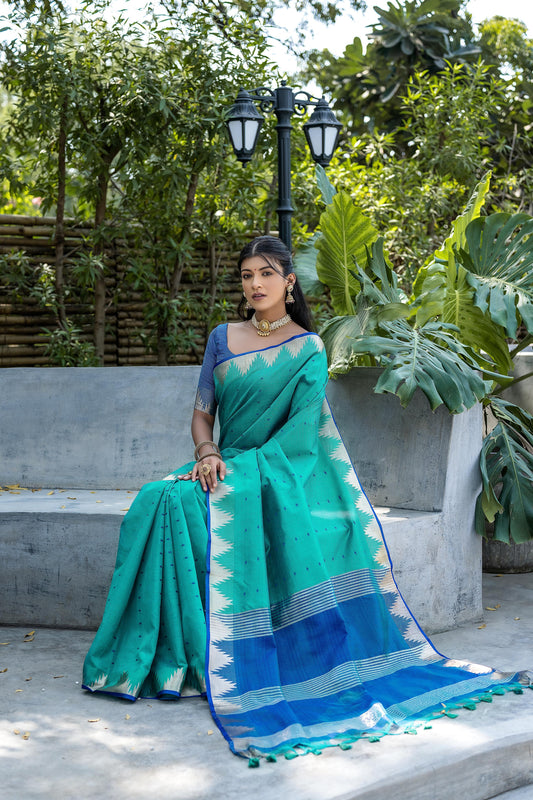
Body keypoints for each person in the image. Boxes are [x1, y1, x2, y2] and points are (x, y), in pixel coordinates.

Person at [83, 235, 528, 764]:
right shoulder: (221, 338)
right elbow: (203, 412)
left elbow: (298, 438)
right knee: (158, 499)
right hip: (220, 462)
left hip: (276, 470)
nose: (255, 285)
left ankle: (217, 655)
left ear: (289, 281)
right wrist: (206, 452)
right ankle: (176, 654)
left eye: (266, 274)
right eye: (247, 275)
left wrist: (239, 468)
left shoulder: (308, 349)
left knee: (182, 504)